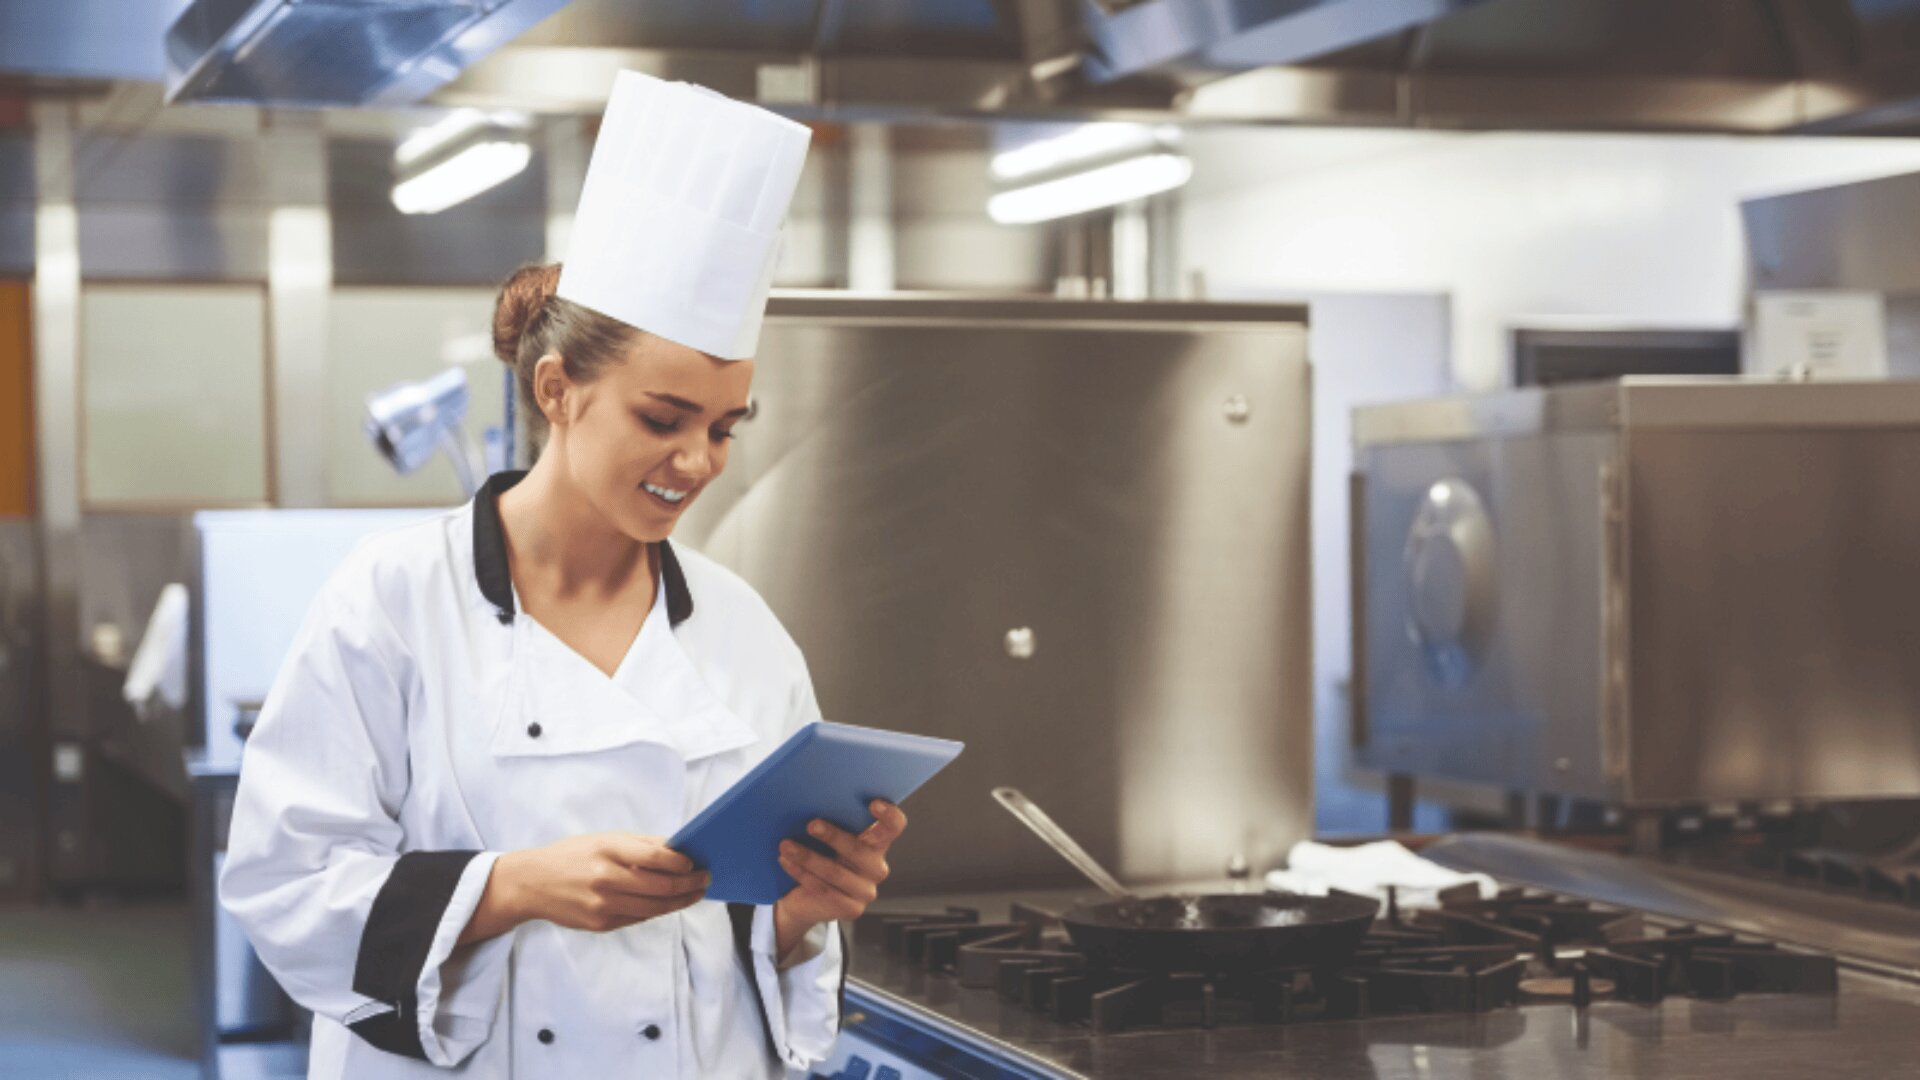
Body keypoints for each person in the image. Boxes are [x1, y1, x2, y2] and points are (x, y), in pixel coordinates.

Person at [220, 73, 904, 1078]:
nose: (698, 461)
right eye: (662, 419)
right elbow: (284, 885)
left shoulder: (745, 634)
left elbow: (760, 944)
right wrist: (510, 887)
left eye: (723, 428)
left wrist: (803, 912)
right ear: (558, 391)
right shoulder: (396, 601)